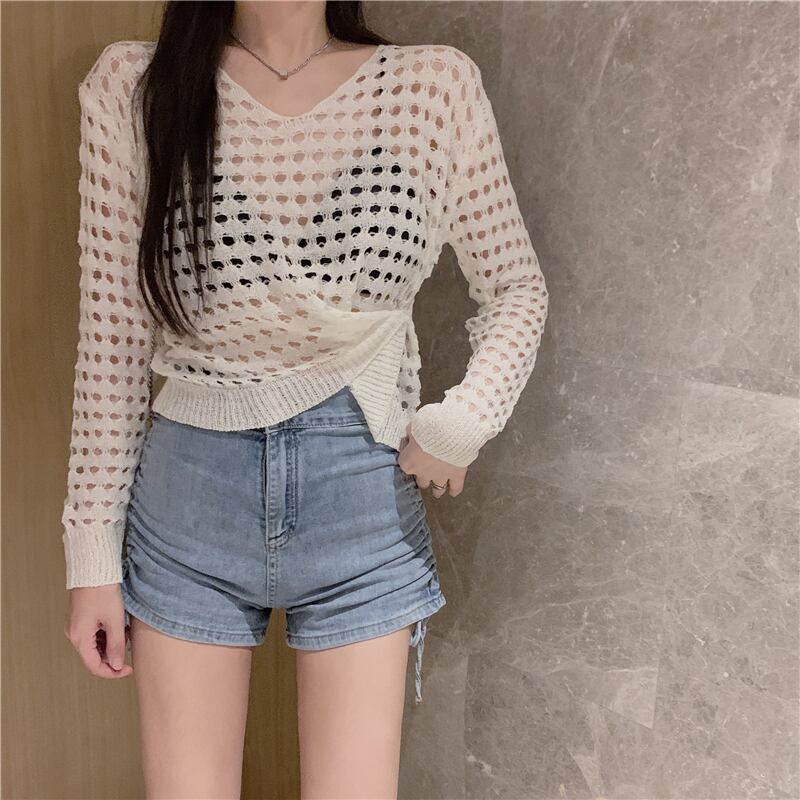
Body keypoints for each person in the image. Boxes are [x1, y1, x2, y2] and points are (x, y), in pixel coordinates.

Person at [61, 1, 549, 797]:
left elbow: (515, 288)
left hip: (361, 504)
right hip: (189, 510)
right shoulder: (136, 86)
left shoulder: (430, 88)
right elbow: (111, 339)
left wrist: (463, 422)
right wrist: (91, 559)